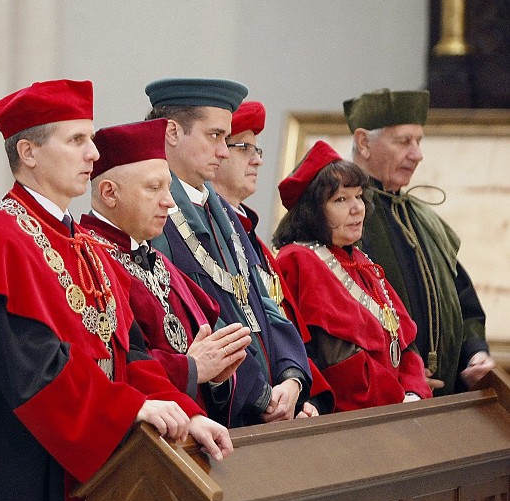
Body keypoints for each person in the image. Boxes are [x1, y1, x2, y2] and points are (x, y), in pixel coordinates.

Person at [0, 79, 233, 501]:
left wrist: (187, 412)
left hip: (88, 462)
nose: (93, 153)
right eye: (76, 140)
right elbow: (34, 372)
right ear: (29, 152)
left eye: (90, 138)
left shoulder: (81, 242)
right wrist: (128, 409)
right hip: (24, 474)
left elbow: (129, 353)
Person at [144, 78, 312, 426]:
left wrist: (292, 378)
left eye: (225, 138)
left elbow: (266, 302)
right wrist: (263, 395)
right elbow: (187, 316)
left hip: (270, 403)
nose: (224, 150)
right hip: (221, 411)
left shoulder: (222, 210)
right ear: (172, 132)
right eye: (214, 136)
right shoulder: (155, 215)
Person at [79, 118, 252, 421]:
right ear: (109, 193)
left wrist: (217, 375)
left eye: (169, 187)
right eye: (153, 188)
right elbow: (115, 364)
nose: (169, 202)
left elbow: (206, 344)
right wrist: (191, 368)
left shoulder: (158, 260)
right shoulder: (87, 261)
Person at [346, 88, 494, 395]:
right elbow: (334, 323)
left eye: (419, 141)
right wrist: (397, 376)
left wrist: (475, 353)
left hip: (446, 400)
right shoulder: (336, 219)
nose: (417, 154)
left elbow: (463, 302)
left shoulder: (426, 221)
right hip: (379, 404)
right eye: (403, 141)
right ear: (363, 142)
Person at [273, 141, 433, 411]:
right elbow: (341, 364)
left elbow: (405, 344)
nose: (357, 208)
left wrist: (414, 392)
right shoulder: (299, 259)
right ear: (313, 211)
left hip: (397, 407)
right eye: (341, 200)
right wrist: (398, 399)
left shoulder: (359, 260)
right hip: (355, 418)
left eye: (358, 196)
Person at [211, 101, 333, 414]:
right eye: (244, 147)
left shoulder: (257, 245)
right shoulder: (205, 234)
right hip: (241, 405)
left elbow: (283, 325)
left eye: (258, 150)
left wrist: (300, 389)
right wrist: (270, 397)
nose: (257, 160)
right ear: (216, 152)